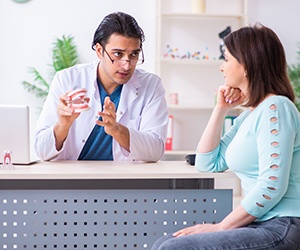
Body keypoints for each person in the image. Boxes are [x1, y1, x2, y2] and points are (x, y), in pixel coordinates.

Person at [151, 23, 300, 249]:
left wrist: (220, 226)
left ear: (247, 66)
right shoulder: (251, 114)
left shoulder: (276, 109)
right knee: (166, 242)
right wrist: (220, 110)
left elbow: (272, 186)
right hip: (261, 223)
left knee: (173, 248)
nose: (221, 67)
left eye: (227, 59)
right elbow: (206, 163)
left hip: (283, 224)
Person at [34, 12, 168, 162]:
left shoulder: (151, 85)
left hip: (123, 181)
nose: (126, 64)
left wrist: (117, 130)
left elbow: (156, 150)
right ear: (99, 51)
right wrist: (63, 125)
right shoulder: (68, 79)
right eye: (118, 54)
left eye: (134, 54)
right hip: (73, 179)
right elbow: (41, 150)